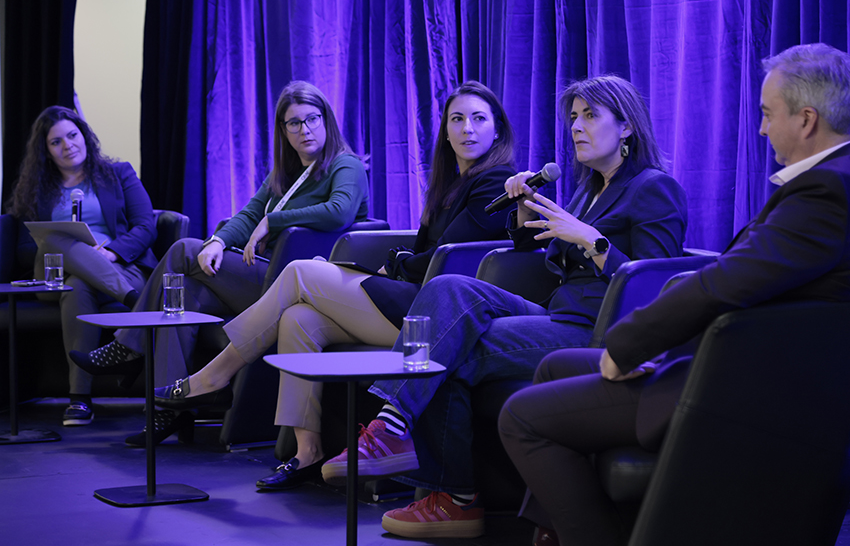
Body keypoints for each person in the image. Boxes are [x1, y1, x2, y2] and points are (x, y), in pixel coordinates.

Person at [498, 43, 850, 546]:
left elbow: (725, 282)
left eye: (768, 114)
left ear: (807, 119)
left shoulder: (826, 191)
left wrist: (628, 346)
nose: (761, 128)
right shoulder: (828, 184)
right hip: (732, 356)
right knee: (555, 366)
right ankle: (556, 528)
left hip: (738, 381)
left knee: (520, 417)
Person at [320, 74, 690, 540]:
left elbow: (653, 284)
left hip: (595, 330)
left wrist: (593, 242)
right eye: (574, 117)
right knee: (450, 288)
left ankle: (452, 497)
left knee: (447, 350)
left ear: (627, 126)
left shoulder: (654, 188)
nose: (577, 126)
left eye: (590, 116)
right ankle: (395, 428)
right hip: (557, 313)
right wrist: (525, 210)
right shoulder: (588, 189)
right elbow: (542, 253)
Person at [152, 80, 518, 489]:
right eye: (457, 119)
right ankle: (306, 451)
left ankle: (213, 377)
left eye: (478, 119)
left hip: (439, 315)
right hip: (411, 295)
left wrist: (395, 264)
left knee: (299, 272)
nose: (467, 128)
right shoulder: (450, 184)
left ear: (497, 130)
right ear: (446, 132)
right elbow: (425, 251)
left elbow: (447, 255)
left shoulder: (495, 182)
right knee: (299, 319)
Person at [70, 80, 370, 444]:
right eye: (294, 123)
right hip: (264, 275)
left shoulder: (345, 165)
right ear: (283, 130)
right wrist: (218, 241)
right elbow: (248, 215)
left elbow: (339, 211)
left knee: (182, 250)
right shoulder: (285, 174)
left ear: (326, 120)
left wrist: (272, 221)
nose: (304, 130)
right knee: (182, 292)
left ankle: (130, 346)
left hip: (296, 285)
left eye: (312, 119)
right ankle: (170, 411)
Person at [6, 106, 158, 427]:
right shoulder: (35, 188)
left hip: (119, 267)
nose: (68, 145)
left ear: (84, 135)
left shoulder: (119, 173)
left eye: (72, 135)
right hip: (54, 275)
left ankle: (79, 399)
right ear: (46, 151)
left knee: (78, 285)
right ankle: (136, 303)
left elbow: (146, 226)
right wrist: (63, 250)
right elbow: (24, 248)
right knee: (56, 239)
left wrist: (111, 253)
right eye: (56, 142)